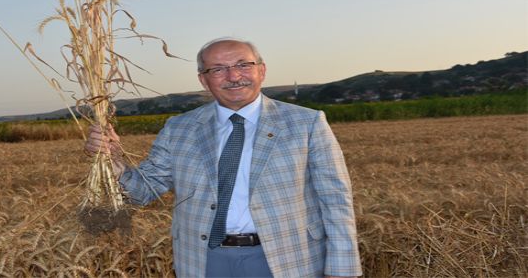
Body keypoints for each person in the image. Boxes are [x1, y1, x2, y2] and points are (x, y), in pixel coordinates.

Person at [85, 38, 362, 277]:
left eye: (243, 65)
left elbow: (335, 199)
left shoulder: (306, 123)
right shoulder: (179, 128)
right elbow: (143, 190)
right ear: (203, 79)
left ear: (262, 70)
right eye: (218, 69)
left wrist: (343, 268)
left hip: (287, 257)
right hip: (205, 260)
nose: (233, 76)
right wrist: (115, 162)